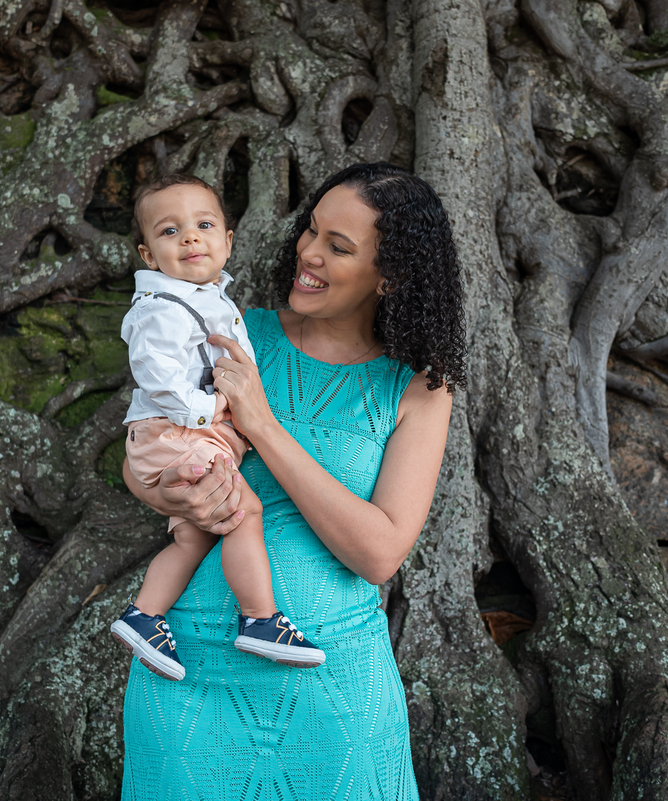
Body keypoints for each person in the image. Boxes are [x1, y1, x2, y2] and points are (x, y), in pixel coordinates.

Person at [120, 162, 466, 799]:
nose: (307, 253)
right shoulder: (228, 331)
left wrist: (263, 424)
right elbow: (147, 447)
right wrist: (163, 491)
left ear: (391, 278)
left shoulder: (418, 389)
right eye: (311, 230)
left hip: (333, 688)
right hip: (187, 673)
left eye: (338, 247)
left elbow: (380, 553)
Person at [110, 174, 325, 683]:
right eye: (170, 231)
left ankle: (144, 615)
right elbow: (157, 376)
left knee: (192, 538)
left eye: (204, 225)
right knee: (244, 513)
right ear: (147, 254)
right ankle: (260, 620)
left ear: (228, 241)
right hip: (179, 434)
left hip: (182, 436)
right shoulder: (161, 307)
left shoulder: (212, 300)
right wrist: (210, 408)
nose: (189, 238)